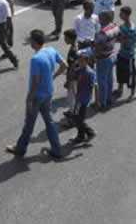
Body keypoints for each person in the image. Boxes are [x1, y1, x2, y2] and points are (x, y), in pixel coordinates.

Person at [6, 30, 67, 160]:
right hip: (49, 92)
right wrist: (53, 77)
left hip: (37, 96)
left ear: (34, 42)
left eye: (30, 40)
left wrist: (29, 99)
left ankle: (20, 149)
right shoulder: (51, 50)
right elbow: (64, 65)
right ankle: (57, 149)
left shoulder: (36, 59)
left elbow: (35, 82)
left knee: (29, 123)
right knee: (49, 121)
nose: (29, 42)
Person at [94, 11, 119, 111]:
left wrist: (95, 54)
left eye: (100, 18)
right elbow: (118, 38)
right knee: (109, 78)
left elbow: (97, 47)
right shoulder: (114, 26)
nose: (98, 20)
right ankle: (109, 98)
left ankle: (102, 103)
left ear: (104, 19)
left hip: (103, 58)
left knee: (102, 81)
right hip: (112, 54)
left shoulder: (102, 33)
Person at [71, 50, 96, 143]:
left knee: (78, 118)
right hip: (79, 98)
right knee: (76, 117)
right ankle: (81, 135)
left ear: (86, 61)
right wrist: (74, 66)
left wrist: (96, 100)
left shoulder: (90, 73)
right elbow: (74, 74)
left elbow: (94, 85)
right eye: (79, 60)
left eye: (82, 61)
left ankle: (89, 132)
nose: (79, 62)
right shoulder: (81, 69)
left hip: (83, 99)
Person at [115, 6, 136, 99]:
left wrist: (120, 38)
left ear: (127, 15)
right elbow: (120, 39)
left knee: (131, 75)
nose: (120, 15)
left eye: (121, 14)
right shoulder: (122, 26)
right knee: (120, 72)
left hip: (129, 56)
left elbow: (126, 42)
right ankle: (120, 89)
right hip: (121, 54)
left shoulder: (132, 29)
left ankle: (133, 94)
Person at [62, 29, 79, 125]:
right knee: (71, 97)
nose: (64, 39)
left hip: (73, 78)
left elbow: (72, 67)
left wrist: (68, 80)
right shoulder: (76, 46)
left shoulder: (73, 50)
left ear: (70, 38)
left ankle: (72, 120)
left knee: (72, 98)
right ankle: (71, 112)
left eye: (66, 38)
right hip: (76, 76)